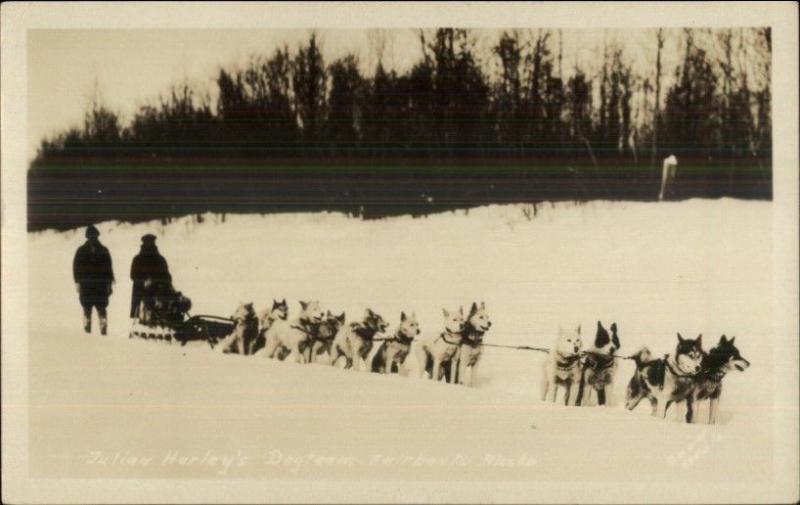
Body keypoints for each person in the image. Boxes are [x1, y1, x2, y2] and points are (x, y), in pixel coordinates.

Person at [73, 225, 114, 335]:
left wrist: (109, 284)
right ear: (87, 237)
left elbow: (109, 269)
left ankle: (103, 331)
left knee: (102, 310)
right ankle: (87, 332)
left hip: (100, 287)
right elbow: (76, 268)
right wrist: (77, 282)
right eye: (91, 237)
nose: (93, 239)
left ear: (97, 237)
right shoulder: (81, 251)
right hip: (86, 286)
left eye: (94, 236)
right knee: (87, 310)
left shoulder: (104, 250)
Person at [130, 234, 172, 319]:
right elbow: (133, 275)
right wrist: (144, 281)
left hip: (158, 290)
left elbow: (167, 275)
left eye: (151, 243)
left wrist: (162, 283)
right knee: (141, 314)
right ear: (143, 244)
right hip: (141, 291)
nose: (149, 246)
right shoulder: (137, 259)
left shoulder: (160, 259)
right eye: (147, 243)